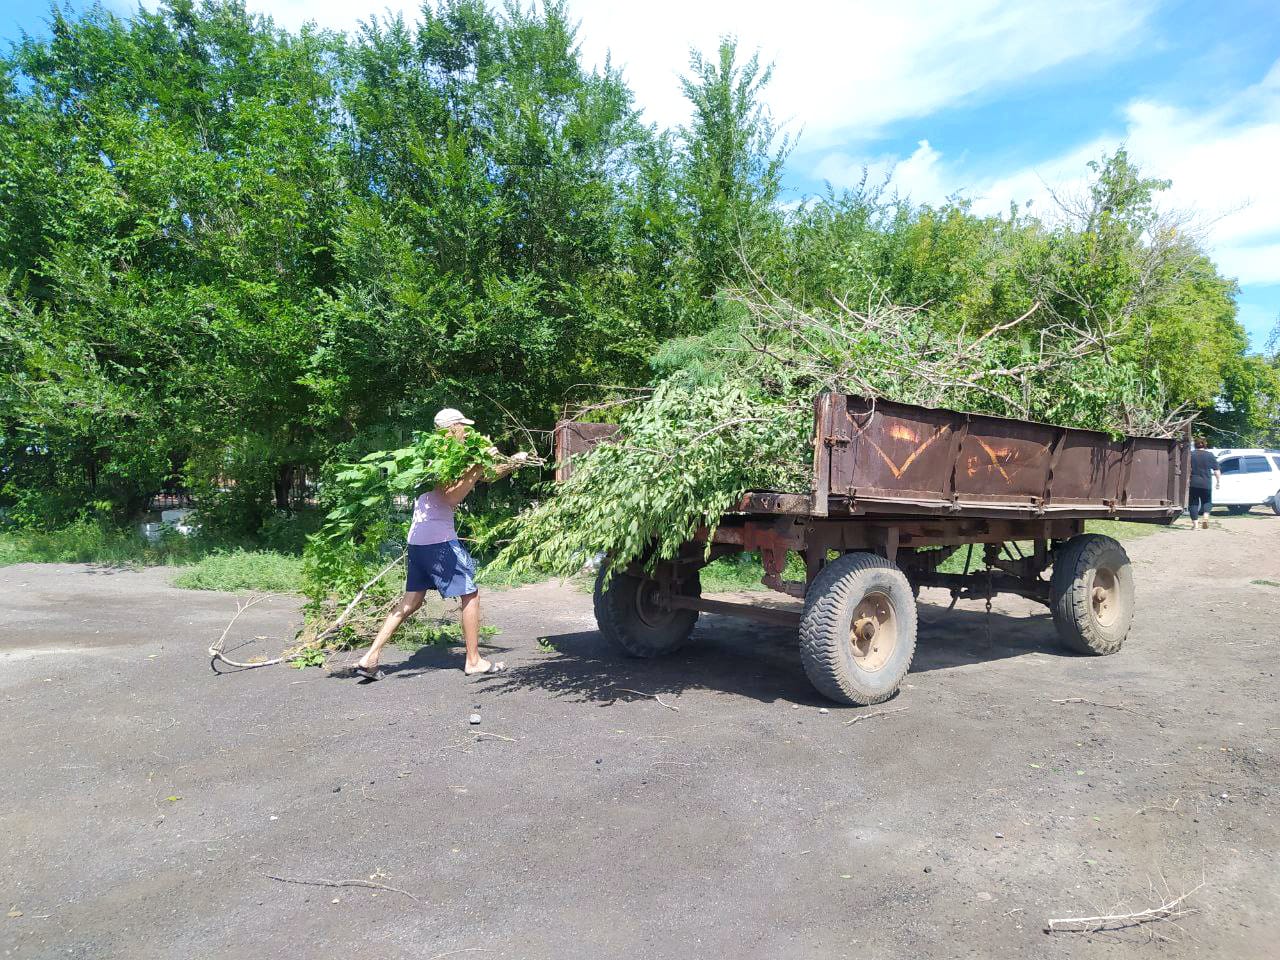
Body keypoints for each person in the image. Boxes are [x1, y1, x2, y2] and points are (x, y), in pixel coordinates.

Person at [353, 408, 529, 681]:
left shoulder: (447, 453)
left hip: (418, 539)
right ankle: (474, 661)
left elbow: (483, 476)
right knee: (470, 593)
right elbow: (450, 497)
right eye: (463, 427)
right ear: (452, 428)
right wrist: (479, 463)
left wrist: (512, 463)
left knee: (412, 601)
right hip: (438, 539)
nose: (467, 431)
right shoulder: (440, 456)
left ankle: (370, 657)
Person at [1187, 436, 1219, 530]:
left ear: (1195, 444)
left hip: (1193, 482)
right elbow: (1216, 470)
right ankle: (1205, 516)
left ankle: (1195, 525)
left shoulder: (1191, 455)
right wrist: (1218, 482)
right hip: (1206, 482)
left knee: (1193, 503)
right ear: (1205, 444)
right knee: (1207, 501)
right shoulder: (1210, 455)